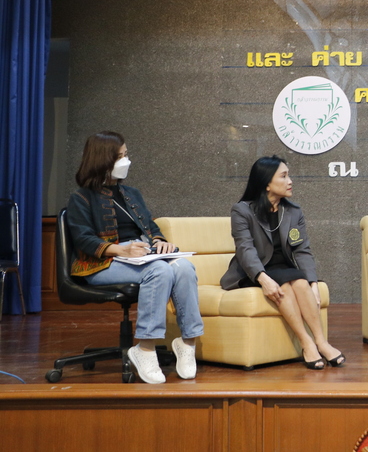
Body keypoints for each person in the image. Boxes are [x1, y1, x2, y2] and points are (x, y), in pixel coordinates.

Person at [66, 131, 203, 384]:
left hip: (141, 254)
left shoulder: (132, 193)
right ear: (102, 160)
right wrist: (120, 250)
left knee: (184, 267)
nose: (126, 161)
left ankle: (188, 343)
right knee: (160, 271)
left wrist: (160, 242)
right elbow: (83, 239)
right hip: (101, 263)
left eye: (126, 155)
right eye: (119, 157)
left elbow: (150, 226)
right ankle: (146, 348)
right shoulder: (81, 197)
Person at [221, 156, 344, 370]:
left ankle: (321, 342)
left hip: (283, 269)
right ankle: (306, 343)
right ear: (267, 183)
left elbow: (302, 250)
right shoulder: (242, 210)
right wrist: (263, 278)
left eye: (289, 176)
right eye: (284, 176)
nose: (290, 181)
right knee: (286, 284)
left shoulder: (293, 211)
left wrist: (314, 283)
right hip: (253, 271)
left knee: (300, 282)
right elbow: (245, 249)